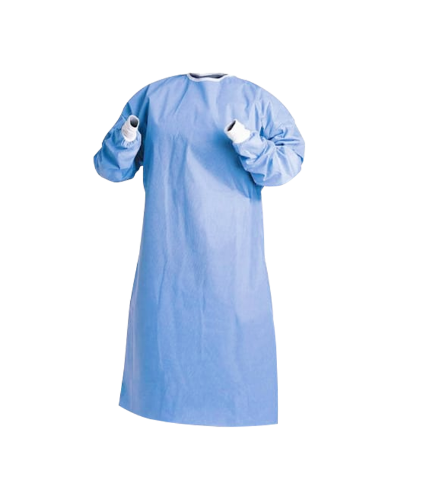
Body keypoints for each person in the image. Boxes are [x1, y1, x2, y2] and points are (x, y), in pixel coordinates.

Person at [94, 72, 306, 428]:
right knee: (162, 362)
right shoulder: (154, 98)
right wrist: (127, 135)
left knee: (236, 357)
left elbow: (287, 165)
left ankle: (237, 409)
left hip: (232, 262)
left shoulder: (256, 100)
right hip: (168, 257)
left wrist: (247, 140)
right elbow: (111, 168)